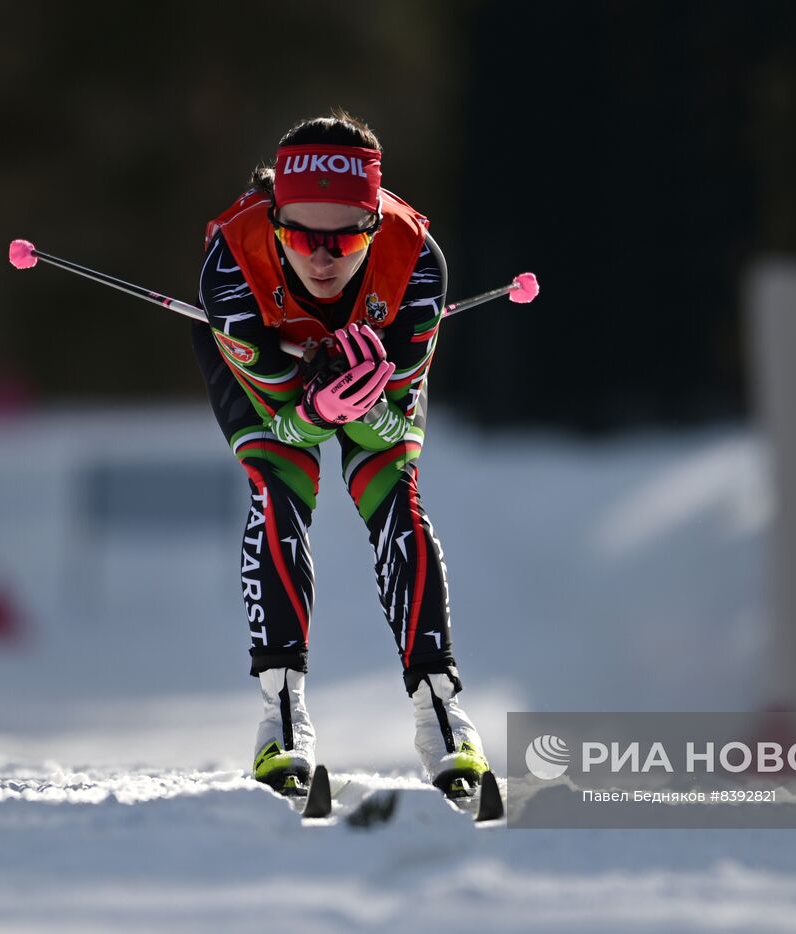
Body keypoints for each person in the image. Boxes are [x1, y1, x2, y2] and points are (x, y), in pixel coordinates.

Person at [191, 110, 489, 800]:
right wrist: (317, 408)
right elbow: (284, 419)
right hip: (270, 377)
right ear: (273, 224)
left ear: (375, 228)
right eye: (300, 236)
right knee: (279, 487)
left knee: (393, 493)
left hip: (373, 379)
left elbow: (388, 429)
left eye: (347, 237)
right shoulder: (231, 265)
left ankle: (440, 707)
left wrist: (366, 400)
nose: (322, 258)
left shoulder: (416, 264)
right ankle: (282, 716)